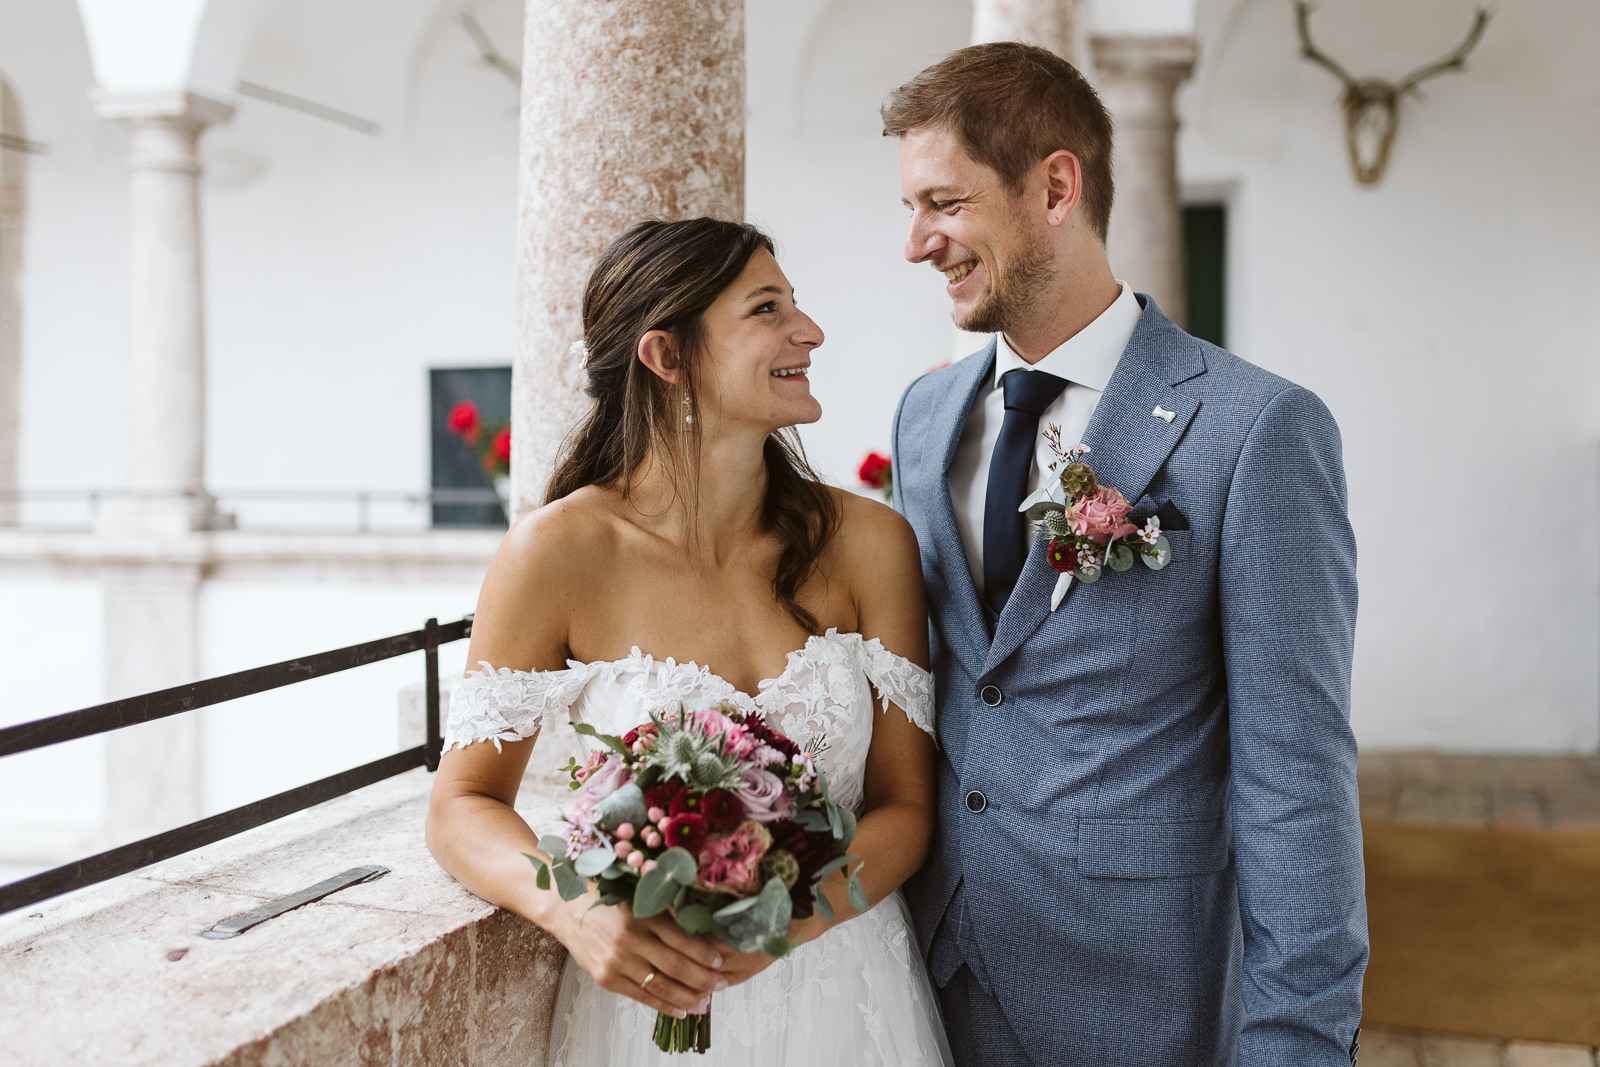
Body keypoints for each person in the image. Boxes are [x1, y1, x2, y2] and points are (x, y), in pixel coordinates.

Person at [883, 43, 1368, 1067]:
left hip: (1134, 991)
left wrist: (1297, 1044)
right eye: (909, 208)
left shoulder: (1255, 428)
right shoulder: (923, 416)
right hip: (926, 971)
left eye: (943, 202)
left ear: (1055, 186)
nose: (917, 241)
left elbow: (1297, 776)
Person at [426, 217, 954, 1066]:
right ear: (667, 357)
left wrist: (783, 926)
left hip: (846, 993)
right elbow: (461, 805)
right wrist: (572, 907)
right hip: (643, 1012)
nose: (808, 331)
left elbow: (905, 808)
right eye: (767, 308)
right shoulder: (555, 555)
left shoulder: (869, 543)